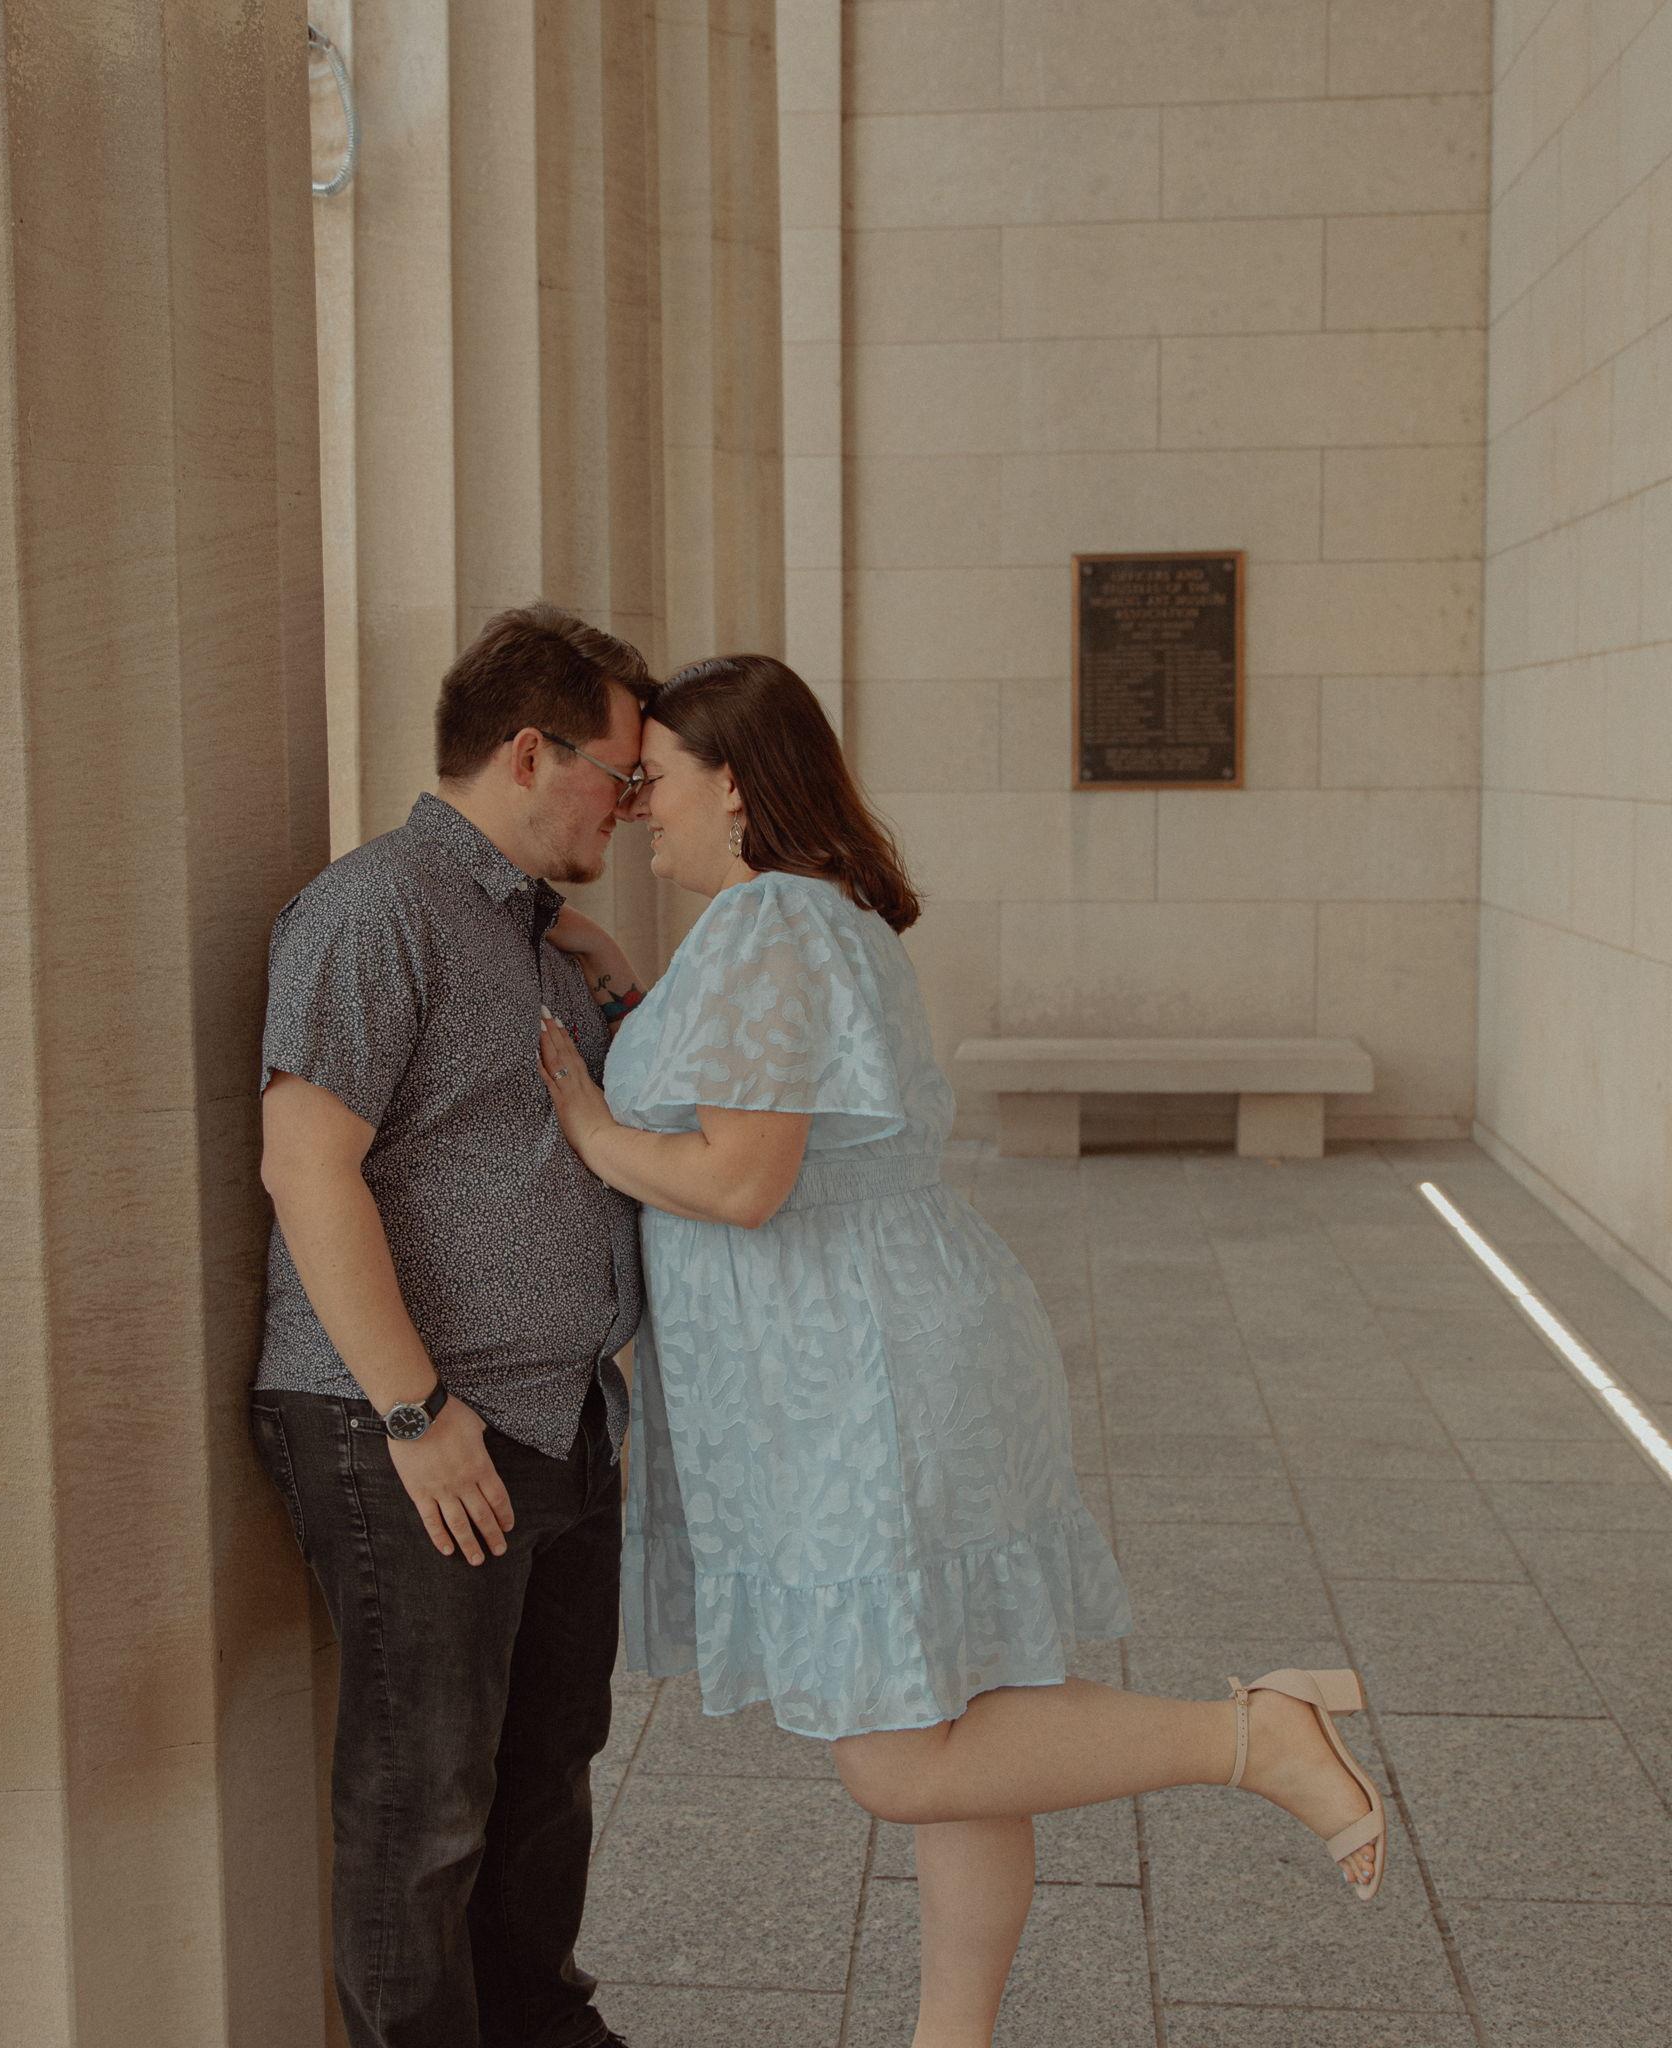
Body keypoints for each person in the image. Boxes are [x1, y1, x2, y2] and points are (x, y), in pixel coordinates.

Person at [535, 654, 1388, 2045]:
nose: (638, 808)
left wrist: (590, 1131)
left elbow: (743, 1178)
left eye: (659, 778)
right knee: (974, 1729)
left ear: (737, 780)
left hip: (854, 1378)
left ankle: (1253, 1736)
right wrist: (632, 1003)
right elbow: (754, 1104)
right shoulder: (813, 920)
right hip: (891, 1346)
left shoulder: (769, 928)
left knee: (898, 1758)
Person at [250, 604, 655, 2048]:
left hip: (558, 1415)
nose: (636, 801)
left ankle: (541, 2027)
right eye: (622, 771)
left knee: (546, 1773)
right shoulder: (376, 909)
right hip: (410, 1427)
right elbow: (307, 1164)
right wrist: (419, 1415)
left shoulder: (542, 939)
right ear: (530, 752)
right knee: (423, 1802)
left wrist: (603, 970)